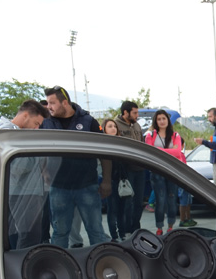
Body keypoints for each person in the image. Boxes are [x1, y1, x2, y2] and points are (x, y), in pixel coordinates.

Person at [40, 86, 110, 248]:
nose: (48, 107)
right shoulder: (46, 123)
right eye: (48, 103)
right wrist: (44, 171)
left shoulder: (88, 121)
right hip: (59, 187)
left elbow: (105, 152)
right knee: (60, 232)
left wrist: (107, 180)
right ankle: (59, 262)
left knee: (96, 231)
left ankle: (100, 261)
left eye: (52, 103)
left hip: (87, 185)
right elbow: (39, 150)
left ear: (64, 103)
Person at [0, 100, 50, 249]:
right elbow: (17, 167)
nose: (36, 128)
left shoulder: (16, 133)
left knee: (26, 236)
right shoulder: (9, 133)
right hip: (23, 192)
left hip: (26, 190)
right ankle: (24, 263)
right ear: (25, 115)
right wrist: (34, 150)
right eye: (36, 123)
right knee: (30, 236)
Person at [143, 110, 186, 235]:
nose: (162, 121)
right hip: (157, 171)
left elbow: (178, 153)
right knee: (160, 200)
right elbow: (150, 152)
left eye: (164, 118)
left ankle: (170, 226)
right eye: (159, 119)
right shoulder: (150, 135)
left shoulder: (175, 135)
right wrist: (169, 151)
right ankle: (159, 228)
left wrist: (158, 150)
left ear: (168, 120)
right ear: (156, 121)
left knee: (172, 199)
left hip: (172, 171)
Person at [113, 101, 146, 237]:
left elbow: (143, 144)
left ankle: (136, 227)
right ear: (125, 112)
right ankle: (126, 230)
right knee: (127, 201)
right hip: (126, 169)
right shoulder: (116, 125)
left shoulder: (137, 125)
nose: (137, 116)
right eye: (135, 113)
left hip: (140, 168)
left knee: (139, 201)